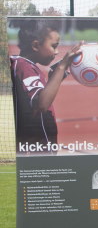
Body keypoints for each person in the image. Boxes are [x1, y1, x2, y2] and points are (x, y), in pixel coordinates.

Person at [9, 19, 82, 151]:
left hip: (40, 148)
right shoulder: (24, 67)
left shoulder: (26, 66)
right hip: (35, 151)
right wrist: (62, 66)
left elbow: (34, 102)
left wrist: (55, 77)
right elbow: (42, 104)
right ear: (36, 45)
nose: (57, 51)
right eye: (54, 46)